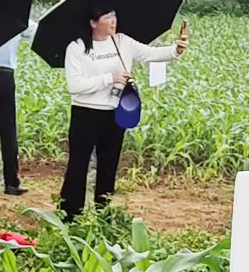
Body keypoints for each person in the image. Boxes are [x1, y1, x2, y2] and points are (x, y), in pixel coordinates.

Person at [61, 11, 188, 219]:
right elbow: (75, 86)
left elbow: (150, 54)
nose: (113, 21)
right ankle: (71, 214)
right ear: (93, 22)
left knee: (109, 163)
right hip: (85, 112)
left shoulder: (122, 42)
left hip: (114, 112)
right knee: (78, 164)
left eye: (114, 16)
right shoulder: (76, 47)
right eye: (107, 17)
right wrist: (109, 78)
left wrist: (176, 50)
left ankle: (104, 211)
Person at [0, 25, 25, 196]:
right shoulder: (16, 22)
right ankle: (11, 182)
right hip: (5, 75)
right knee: (8, 130)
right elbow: (36, 31)